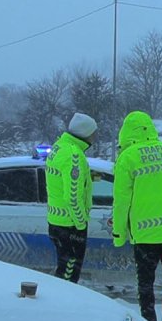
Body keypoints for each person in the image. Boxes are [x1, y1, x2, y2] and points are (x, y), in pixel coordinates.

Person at [110, 111, 162, 321]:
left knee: (146, 285)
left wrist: (119, 234)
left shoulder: (127, 158)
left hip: (146, 234)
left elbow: (121, 202)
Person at [46, 112, 96, 283]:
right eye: (92, 132)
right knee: (68, 275)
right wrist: (81, 223)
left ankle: (61, 302)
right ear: (85, 133)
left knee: (63, 270)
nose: (94, 136)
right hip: (70, 224)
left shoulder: (59, 147)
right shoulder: (74, 155)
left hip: (57, 221)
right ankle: (63, 306)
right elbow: (72, 196)